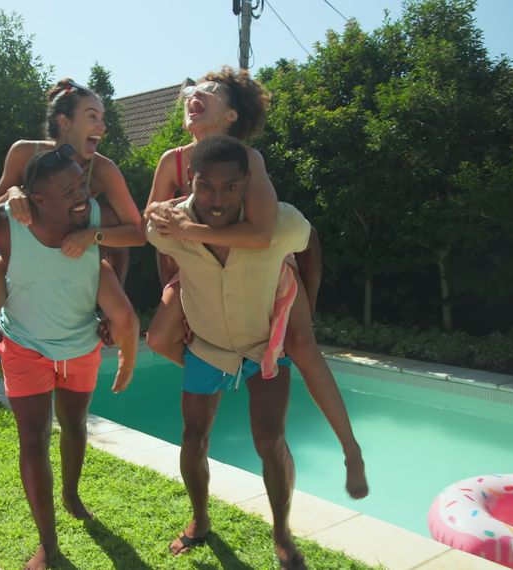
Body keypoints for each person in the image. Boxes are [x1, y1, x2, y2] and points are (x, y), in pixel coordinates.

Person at [144, 67, 368, 502]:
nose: (195, 94)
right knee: (158, 338)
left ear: (231, 116)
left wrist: (186, 229)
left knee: (302, 346)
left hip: (261, 266)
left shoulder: (248, 159)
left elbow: (262, 233)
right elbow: (150, 224)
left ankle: (350, 448)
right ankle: (230, 367)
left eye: (210, 91)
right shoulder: (171, 160)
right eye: (193, 90)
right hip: (199, 268)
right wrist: (169, 271)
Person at [147, 135, 355, 569]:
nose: (217, 199)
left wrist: (308, 304)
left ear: (247, 183)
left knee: (270, 439)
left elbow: (311, 243)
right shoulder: (168, 225)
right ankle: (200, 521)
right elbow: (161, 250)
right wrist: (174, 288)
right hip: (206, 346)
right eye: (206, 186)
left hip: (266, 346)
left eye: (230, 187)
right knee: (193, 438)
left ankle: (282, 533)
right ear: (191, 181)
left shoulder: (279, 224)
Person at [0, 145, 138, 570]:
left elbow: (130, 240)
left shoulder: (94, 215)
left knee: (75, 424)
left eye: (82, 182)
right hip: (25, 346)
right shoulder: (9, 222)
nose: (81, 194)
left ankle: (72, 495)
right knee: (34, 436)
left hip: (80, 345)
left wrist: (108, 307)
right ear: (37, 199)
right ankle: (48, 542)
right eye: (68, 190)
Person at [0, 79, 144, 389]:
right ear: (65, 122)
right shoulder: (25, 152)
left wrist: (94, 237)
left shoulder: (104, 170)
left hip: (76, 261)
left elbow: (137, 233)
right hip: (22, 258)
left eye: (103, 118)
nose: (102, 126)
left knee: (127, 321)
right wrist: (13, 192)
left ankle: (127, 362)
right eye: (93, 116)